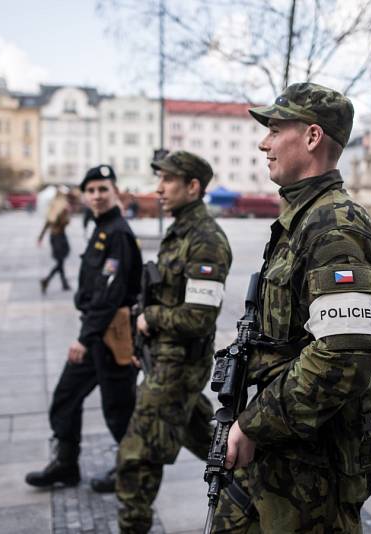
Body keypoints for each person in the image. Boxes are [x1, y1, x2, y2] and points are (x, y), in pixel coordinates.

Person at [211, 83, 371, 533]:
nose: (263, 142)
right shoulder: (303, 218)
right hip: (284, 449)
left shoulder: (334, 227)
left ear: (312, 138)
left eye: (274, 129)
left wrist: (253, 426)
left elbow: (343, 355)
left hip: (314, 465)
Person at [106, 151, 233, 533]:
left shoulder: (206, 240)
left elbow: (198, 318)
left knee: (135, 459)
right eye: (159, 179)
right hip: (164, 362)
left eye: (168, 180)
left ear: (192, 187)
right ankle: (258, 484)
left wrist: (150, 318)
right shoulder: (178, 231)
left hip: (177, 369)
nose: (158, 188)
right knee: (211, 442)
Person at [25, 165, 142, 489]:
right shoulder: (101, 227)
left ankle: (130, 472)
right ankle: (65, 464)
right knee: (66, 397)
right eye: (91, 190)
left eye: (103, 189)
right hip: (97, 333)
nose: (97, 195)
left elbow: (110, 293)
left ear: (115, 192)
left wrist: (84, 338)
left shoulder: (117, 231)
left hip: (113, 335)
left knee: (119, 410)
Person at [38, 188, 72, 293]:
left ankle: (63, 284)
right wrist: (65, 214)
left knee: (60, 261)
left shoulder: (53, 206)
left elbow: (47, 223)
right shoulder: (60, 207)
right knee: (60, 261)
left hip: (54, 237)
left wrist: (41, 237)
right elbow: (63, 223)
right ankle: (47, 280)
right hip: (59, 237)